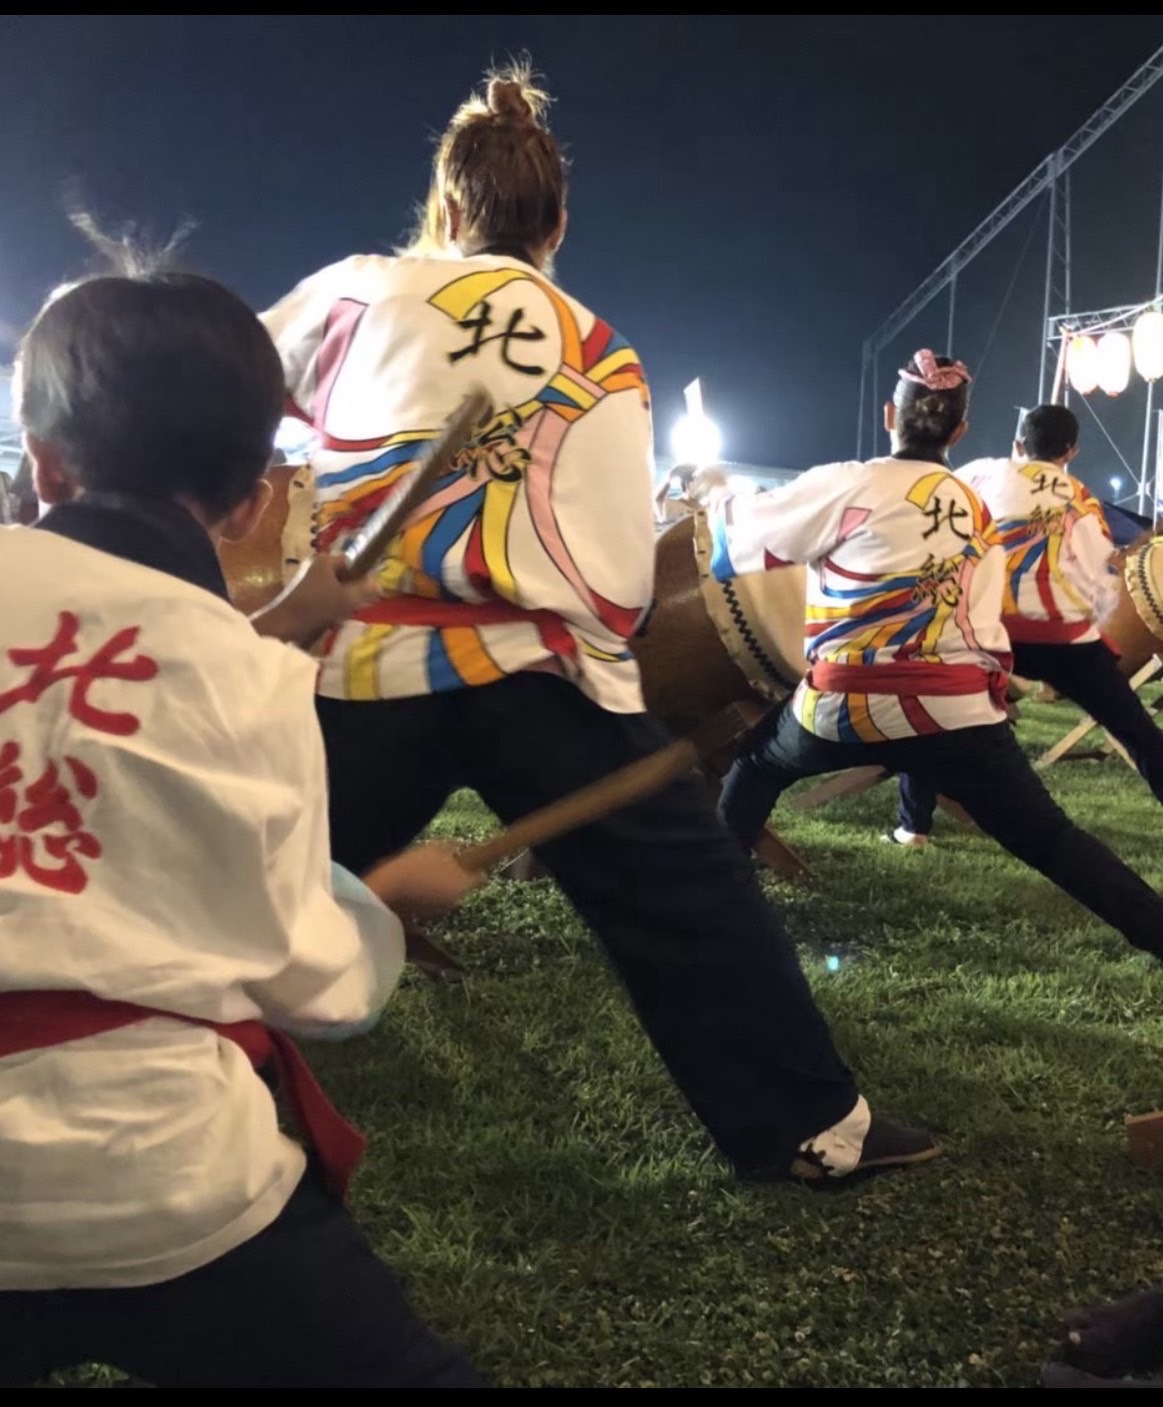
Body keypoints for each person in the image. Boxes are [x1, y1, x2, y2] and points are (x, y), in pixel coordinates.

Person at [259, 62, 936, 1185]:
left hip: (369, 661)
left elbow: (215, 390)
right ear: (557, 225)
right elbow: (617, 580)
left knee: (246, 877)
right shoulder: (598, 348)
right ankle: (811, 1128)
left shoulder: (360, 292)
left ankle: (117, 1062)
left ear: (446, 204)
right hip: (545, 674)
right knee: (688, 897)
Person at [0, 256, 485, 1388]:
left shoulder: (238, 654)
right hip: (156, 1183)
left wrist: (283, 619)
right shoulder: (248, 676)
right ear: (257, 500)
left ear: (42, 459)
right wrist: (379, 903)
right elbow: (316, 984)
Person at [707, 350, 1163, 961]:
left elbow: (726, 551)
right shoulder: (975, 508)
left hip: (843, 707)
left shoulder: (848, 482)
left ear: (890, 415)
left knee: (757, 764)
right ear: (960, 430)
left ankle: (712, 910)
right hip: (957, 716)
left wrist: (715, 492)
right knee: (1053, 840)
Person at [889, 404, 1163, 846]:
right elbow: (1098, 566)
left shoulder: (981, 474)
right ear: (1071, 451)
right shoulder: (1081, 497)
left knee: (930, 710)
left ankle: (913, 827)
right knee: (1137, 732)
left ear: (1018, 443)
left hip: (985, 631)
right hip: (1064, 637)